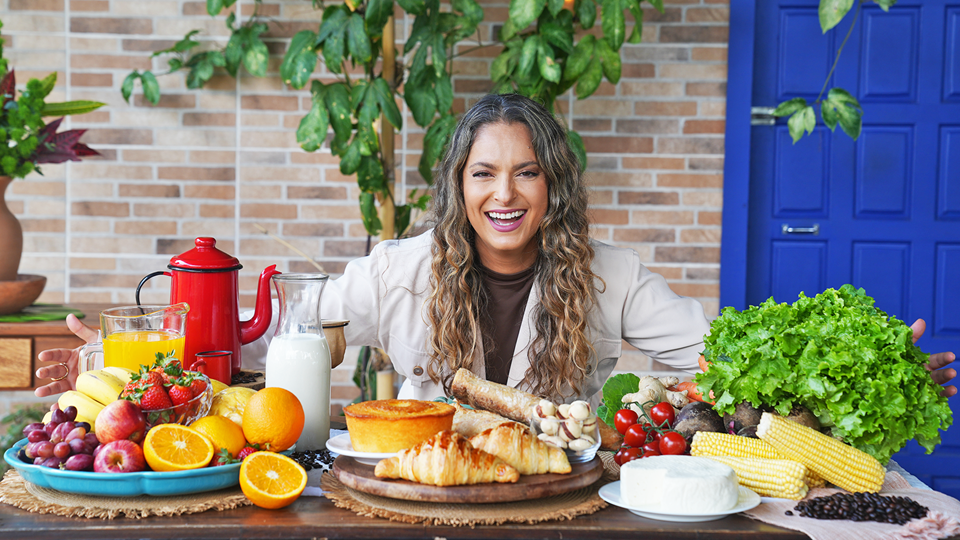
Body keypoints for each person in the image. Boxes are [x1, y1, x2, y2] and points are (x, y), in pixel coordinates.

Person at [34, 93, 958, 405]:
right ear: (459, 187)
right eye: (483, 174)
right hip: (423, 504)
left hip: (567, 509)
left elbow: (720, 359)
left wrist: (864, 372)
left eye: (524, 174)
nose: (503, 194)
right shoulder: (397, 270)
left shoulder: (614, 277)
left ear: (552, 186)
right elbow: (270, 339)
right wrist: (126, 367)